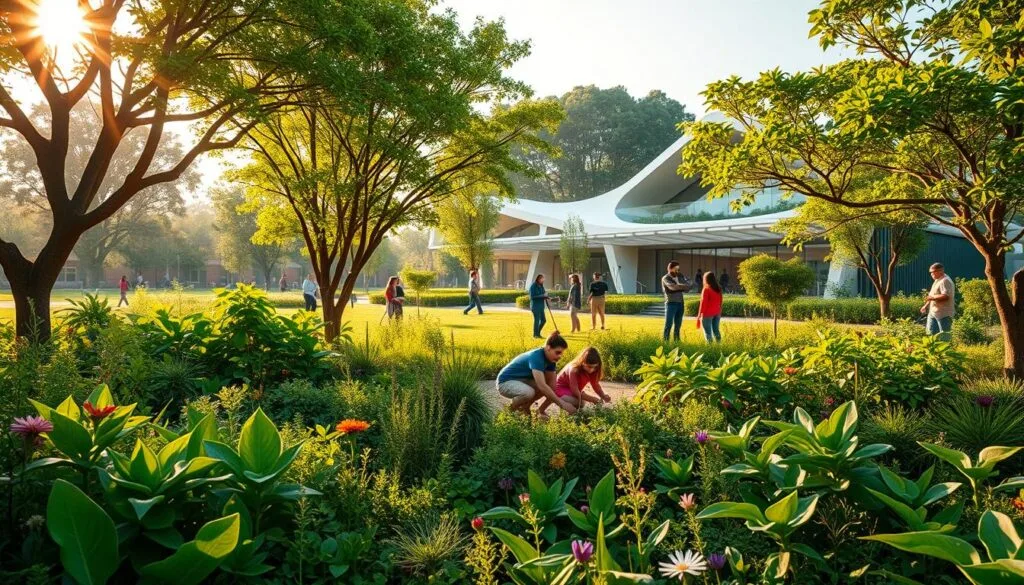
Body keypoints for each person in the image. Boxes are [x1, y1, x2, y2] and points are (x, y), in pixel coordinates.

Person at [496, 332, 576, 414]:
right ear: (548, 347)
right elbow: (542, 385)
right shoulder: (536, 357)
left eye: (561, 354)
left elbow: (552, 387)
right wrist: (562, 404)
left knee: (548, 388)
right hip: (505, 382)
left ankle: (525, 407)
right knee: (528, 393)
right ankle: (509, 412)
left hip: (522, 381)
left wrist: (543, 409)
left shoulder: (551, 360)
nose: (560, 356)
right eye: (558, 352)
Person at [538, 346, 611, 415]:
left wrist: (603, 395)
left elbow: (596, 385)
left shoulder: (593, 371)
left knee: (580, 403)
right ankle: (548, 408)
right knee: (581, 403)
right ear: (582, 362)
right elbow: (574, 389)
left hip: (571, 391)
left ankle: (541, 410)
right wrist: (593, 399)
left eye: (595, 367)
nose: (591, 370)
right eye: (589, 367)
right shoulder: (574, 369)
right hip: (559, 389)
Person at [921, 262, 955, 339]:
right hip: (933, 312)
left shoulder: (945, 281)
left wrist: (932, 298)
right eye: (931, 273)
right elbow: (932, 295)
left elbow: (946, 296)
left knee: (944, 336)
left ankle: (946, 351)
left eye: (933, 272)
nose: (931, 274)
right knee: (930, 334)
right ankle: (932, 351)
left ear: (941, 271)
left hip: (944, 314)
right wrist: (925, 306)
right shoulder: (937, 280)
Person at [662, 261, 690, 342]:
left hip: (680, 303)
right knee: (668, 324)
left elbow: (688, 287)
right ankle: (665, 341)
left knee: (678, 325)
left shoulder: (680, 276)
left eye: (678, 269)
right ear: (670, 268)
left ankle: (677, 341)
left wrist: (680, 286)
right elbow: (672, 288)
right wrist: (682, 286)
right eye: (675, 269)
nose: (677, 271)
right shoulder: (666, 278)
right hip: (671, 304)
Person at [697, 271, 723, 343]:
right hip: (717, 313)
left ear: (706, 279)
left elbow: (703, 303)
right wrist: (719, 311)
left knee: (708, 333)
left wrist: (700, 315)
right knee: (716, 330)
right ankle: (719, 346)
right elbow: (721, 301)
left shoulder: (706, 289)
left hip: (707, 314)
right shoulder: (719, 288)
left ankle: (710, 349)